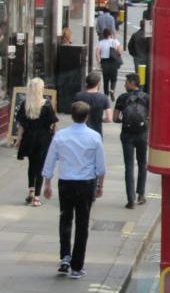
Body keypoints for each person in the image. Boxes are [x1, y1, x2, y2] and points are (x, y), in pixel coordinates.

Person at [42, 100, 106, 279]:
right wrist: (100, 185)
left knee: (65, 219)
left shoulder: (61, 135)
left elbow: (50, 159)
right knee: (82, 224)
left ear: (71, 116)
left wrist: (47, 184)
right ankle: (77, 267)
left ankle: (65, 257)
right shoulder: (94, 137)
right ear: (87, 117)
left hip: (65, 183)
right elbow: (100, 166)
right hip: (85, 184)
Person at [16, 77, 58, 206]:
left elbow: (21, 125)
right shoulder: (46, 104)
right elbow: (51, 124)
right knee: (40, 167)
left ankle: (31, 191)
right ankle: (37, 197)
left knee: (31, 165)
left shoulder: (25, 104)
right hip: (42, 139)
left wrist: (18, 139)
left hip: (29, 138)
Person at [114, 72, 150, 210]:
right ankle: (141, 194)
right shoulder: (146, 97)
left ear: (132, 83)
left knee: (129, 166)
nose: (124, 85)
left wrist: (123, 121)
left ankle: (130, 200)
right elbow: (150, 116)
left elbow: (115, 118)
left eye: (126, 82)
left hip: (127, 135)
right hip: (142, 134)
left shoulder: (123, 98)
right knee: (142, 163)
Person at [74, 70, 112, 138]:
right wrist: (101, 119)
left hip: (80, 131)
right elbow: (109, 118)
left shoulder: (78, 96)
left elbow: (74, 113)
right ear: (98, 83)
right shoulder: (104, 98)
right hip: (96, 131)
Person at [96, 27, 122, 98]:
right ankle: (112, 90)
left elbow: (97, 53)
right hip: (113, 62)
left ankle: (106, 95)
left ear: (103, 35)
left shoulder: (101, 43)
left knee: (105, 79)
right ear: (111, 34)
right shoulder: (115, 41)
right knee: (114, 79)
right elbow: (120, 52)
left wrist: (99, 62)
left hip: (104, 62)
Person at [127, 19, 150, 86]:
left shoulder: (135, 35)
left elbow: (130, 46)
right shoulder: (149, 36)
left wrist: (134, 54)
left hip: (138, 58)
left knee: (139, 77)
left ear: (140, 25)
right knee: (148, 76)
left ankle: (140, 90)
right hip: (148, 59)